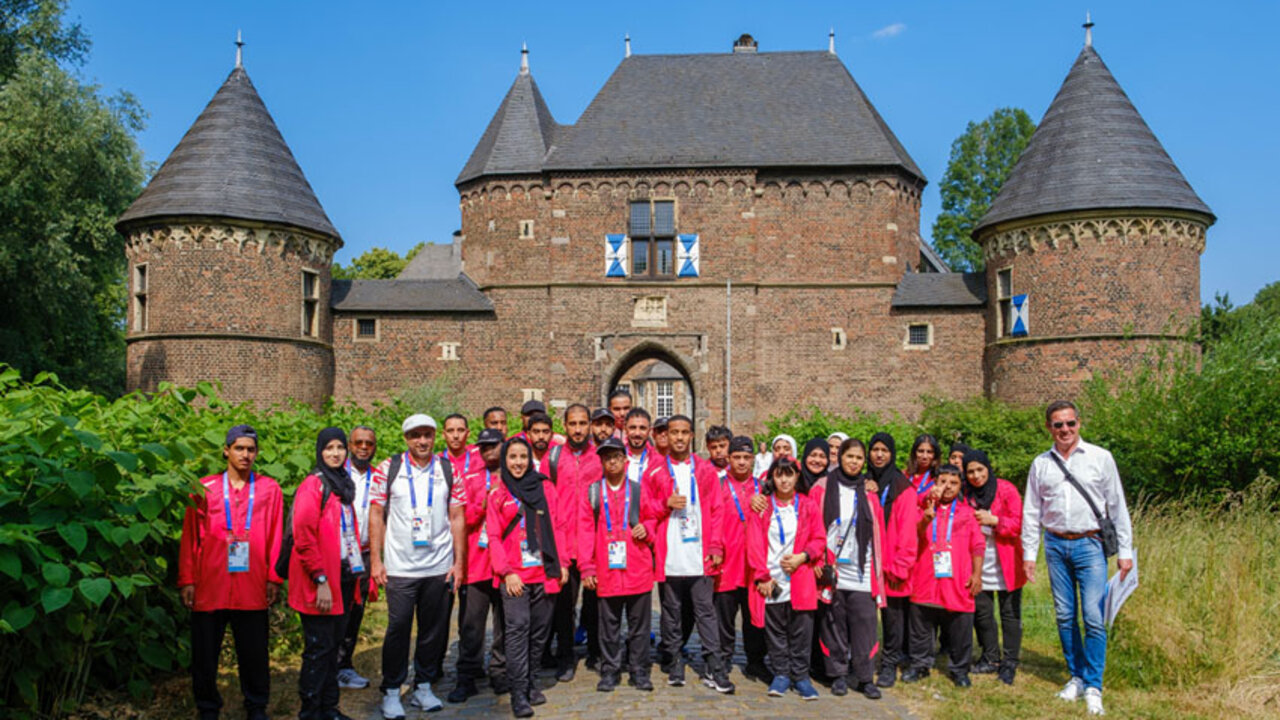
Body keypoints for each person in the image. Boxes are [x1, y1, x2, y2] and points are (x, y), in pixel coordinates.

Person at [1023, 400, 1134, 717]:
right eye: (1058, 425)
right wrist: (1029, 555)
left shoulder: (1100, 458)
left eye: (1070, 423)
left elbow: (1117, 505)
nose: (1065, 430)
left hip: (1090, 544)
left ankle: (1093, 684)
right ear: (1049, 428)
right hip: (1056, 544)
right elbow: (1032, 512)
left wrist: (1125, 552)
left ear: (1079, 423)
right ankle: (1076, 675)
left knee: (1094, 617)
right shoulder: (1041, 464)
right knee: (1064, 615)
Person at [179, 425, 284, 720]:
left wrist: (274, 577)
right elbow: (190, 537)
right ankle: (208, 706)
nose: (245, 455)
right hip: (210, 583)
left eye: (251, 450)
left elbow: (276, 535)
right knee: (205, 653)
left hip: (251, 585)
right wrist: (187, 579)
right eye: (239, 448)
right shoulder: (205, 488)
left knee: (254, 651)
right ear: (226, 450)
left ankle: (256, 704)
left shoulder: (269, 489)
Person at [370, 414, 467, 720]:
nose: (422, 441)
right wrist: (376, 560)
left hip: (438, 565)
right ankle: (391, 689)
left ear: (434, 436)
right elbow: (376, 514)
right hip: (400, 567)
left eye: (427, 435)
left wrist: (459, 562)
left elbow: (457, 518)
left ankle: (423, 685)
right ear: (406, 439)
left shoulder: (448, 470)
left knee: (433, 631)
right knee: (398, 629)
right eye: (415, 436)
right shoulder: (389, 469)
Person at [644, 415, 735, 693]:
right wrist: (665, 503)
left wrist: (716, 546)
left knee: (705, 613)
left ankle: (715, 667)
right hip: (670, 555)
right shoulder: (655, 470)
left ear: (692, 436)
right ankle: (674, 661)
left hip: (699, 555)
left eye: (684, 432)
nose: (680, 438)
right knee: (671, 613)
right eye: (674, 433)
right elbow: (646, 510)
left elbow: (717, 511)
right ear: (666, 436)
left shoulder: (705, 470)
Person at [486, 438, 569, 718]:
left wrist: (563, 563)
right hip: (515, 577)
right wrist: (506, 571)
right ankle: (518, 692)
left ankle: (532, 681)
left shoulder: (545, 487)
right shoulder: (497, 494)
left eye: (523, 457)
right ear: (505, 461)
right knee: (518, 631)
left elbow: (558, 526)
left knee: (539, 634)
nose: (518, 462)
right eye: (513, 457)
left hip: (544, 573)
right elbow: (494, 537)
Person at [291, 428, 362, 720]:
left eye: (340, 448)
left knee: (333, 649)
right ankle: (310, 712)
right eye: (329, 448)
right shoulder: (313, 485)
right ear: (320, 451)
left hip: (343, 578)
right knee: (318, 650)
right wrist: (320, 578)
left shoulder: (342, 484)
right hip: (319, 582)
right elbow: (304, 536)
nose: (336, 453)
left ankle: (329, 707)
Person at [579, 437, 656, 692]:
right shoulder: (593, 492)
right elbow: (586, 531)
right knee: (608, 627)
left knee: (639, 628)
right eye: (607, 457)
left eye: (616, 457)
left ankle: (639, 670)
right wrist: (587, 567)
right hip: (606, 570)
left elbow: (653, 517)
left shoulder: (638, 490)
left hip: (637, 568)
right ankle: (610, 670)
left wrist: (648, 529)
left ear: (625, 460)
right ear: (601, 461)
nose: (612, 462)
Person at [811, 438, 885, 700]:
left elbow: (878, 533)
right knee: (834, 624)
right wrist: (818, 562)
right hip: (833, 568)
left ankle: (865, 676)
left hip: (862, 568)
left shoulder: (869, 492)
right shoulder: (822, 487)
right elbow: (813, 525)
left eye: (858, 458)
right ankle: (839, 674)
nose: (854, 462)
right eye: (849, 456)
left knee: (864, 623)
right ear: (839, 458)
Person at [746, 458, 825, 701]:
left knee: (801, 629)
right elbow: (755, 543)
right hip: (774, 580)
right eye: (779, 475)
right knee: (776, 629)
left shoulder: (808, 506)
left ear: (796, 477)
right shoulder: (762, 507)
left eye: (789, 475)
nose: (784, 480)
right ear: (772, 478)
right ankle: (781, 673)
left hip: (799, 578)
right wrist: (762, 576)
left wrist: (803, 557)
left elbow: (819, 539)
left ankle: (801, 676)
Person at [904, 465, 983, 688]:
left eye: (953, 483)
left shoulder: (967, 513)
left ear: (960, 487)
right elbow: (912, 537)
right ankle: (920, 665)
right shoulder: (922, 508)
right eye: (942, 481)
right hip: (925, 575)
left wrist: (977, 574)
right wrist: (926, 520)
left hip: (956, 578)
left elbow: (977, 544)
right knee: (921, 624)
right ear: (934, 483)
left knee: (960, 626)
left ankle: (959, 669)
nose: (947, 487)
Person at [544, 404, 604, 681]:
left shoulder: (600, 457)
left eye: (583, 423)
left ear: (589, 425)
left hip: (593, 542)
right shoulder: (554, 457)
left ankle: (595, 652)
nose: (578, 429)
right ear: (565, 426)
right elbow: (546, 501)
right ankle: (565, 657)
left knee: (595, 604)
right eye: (573, 424)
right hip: (564, 542)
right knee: (563, 605)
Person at [451, 428, 508, 702]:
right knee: (471, 623)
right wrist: (484, 502)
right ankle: (468, 674)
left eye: (493, 446)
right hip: (477, 561)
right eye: (484, 448)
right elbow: (461, 517)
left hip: (506, 563)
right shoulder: (470, 478)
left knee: (505, 622)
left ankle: (500, 670)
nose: (489, 452)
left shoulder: (513, 477)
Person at [963, 448, 1026, 685]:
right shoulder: (966, 494)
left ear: (988, 468)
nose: (976, 476)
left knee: (1010, 614)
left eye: (980, 470)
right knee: (983, 613)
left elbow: (1018, 523)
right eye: (970, 471)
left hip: (1006, 561)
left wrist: (995, 520)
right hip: (978, 563)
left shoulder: (1006, 489)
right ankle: (990, 657)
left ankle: (1010, 662)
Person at [712, 436, 770, 684]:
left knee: (754, 616)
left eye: (747, 457)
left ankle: (755, 661)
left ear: (753, 459)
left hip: (754, 565)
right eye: (737, 457)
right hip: (728, 562)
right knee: (724, 615)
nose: (742, 462)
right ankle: (723, 659)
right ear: (729, 459)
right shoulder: (720, 486)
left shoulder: (765, 488)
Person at [868, 432, 919, 688]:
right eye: (874, 449)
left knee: (893, 620)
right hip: (865, 564)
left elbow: (909, 531)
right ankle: (864, 662)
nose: (878, 455)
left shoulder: (903, 488)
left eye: (884, 450)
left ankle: (889, 663)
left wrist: (900, 565)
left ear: (892, 454)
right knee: (864, 618)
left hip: (891, 565)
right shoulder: (862, 481)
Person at [336, 425, 381, 690]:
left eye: (369, 443)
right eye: (358, 443)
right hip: (338, 555)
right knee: (334, 611)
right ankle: (329, 664)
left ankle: (344, 665)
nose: (364, 447)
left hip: (363, 554)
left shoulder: (380, 477)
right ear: (350, 446)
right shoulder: (336, 476)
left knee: (356, 611)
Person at [440, 414, 479, 478]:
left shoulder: (479, 459)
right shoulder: (437, 462)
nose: (456, 436)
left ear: (468, 433)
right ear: (443, 435)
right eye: (450, 431)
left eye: (460, 430)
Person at [622, 408, 655, 483]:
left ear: (649, 430)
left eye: (642, 428)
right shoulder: (616, 458)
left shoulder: (658, 460)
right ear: (625, 429)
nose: (637, 433)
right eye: (632, 428)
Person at [906, 434, 942, 502]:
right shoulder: (904, 476)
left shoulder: (938, 478)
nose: (924, 456)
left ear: (935, 455)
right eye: (920, 451)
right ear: (914, 453)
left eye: (929, 452)